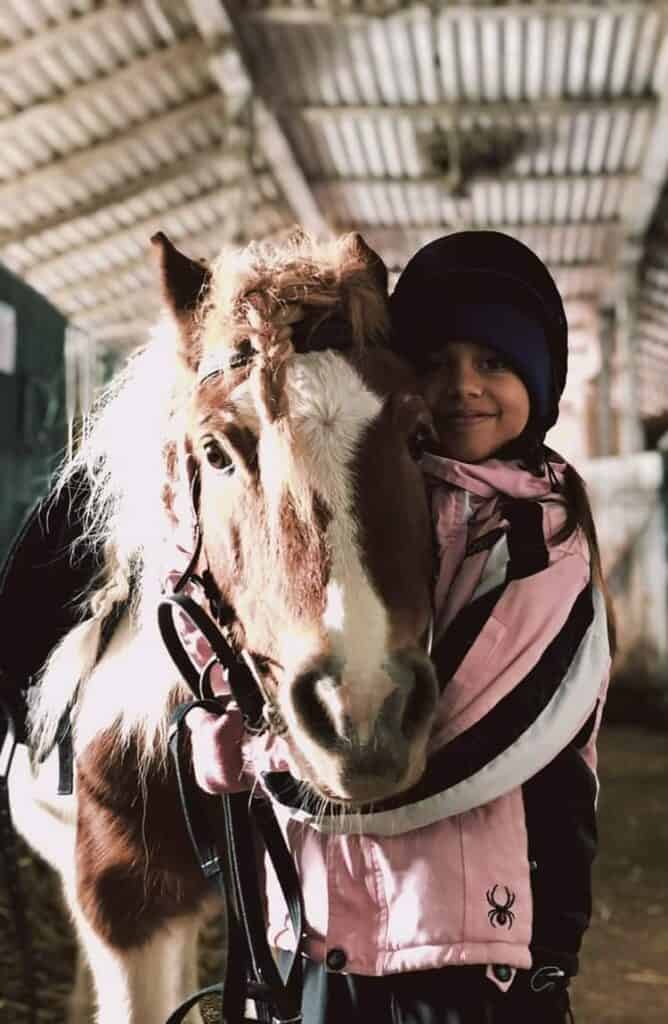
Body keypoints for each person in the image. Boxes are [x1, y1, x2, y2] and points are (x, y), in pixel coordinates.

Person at [187, 230, 613, 1024]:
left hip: (476, 946)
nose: (463, 389)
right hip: (321, 931)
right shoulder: (383, 482)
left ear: (542, 378)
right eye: (438, 363)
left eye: (493, 362)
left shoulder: (541, 532)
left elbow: (445, 742)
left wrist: (259, 753)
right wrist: (207, 723)